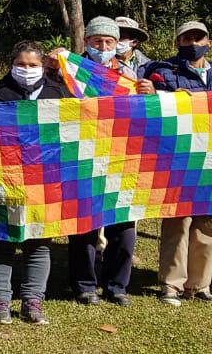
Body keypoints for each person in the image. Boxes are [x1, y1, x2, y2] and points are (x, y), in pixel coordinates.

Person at [0, 41, 71, 326]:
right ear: (11, 64)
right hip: (2, 178)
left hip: (45, 180)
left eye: (33, 65)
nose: (27, 70)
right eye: (21, 64)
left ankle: (33, 301)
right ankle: (1, 302)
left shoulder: (60, 93)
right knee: (1, 241)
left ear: (43, 66)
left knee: (39, 243)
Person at [66, 17, 152, 309]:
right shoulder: (71, 73)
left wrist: (148, 97)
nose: (103, 47)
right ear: (86, 43)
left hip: (122, 158)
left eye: (109, 42)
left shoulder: (130, 76)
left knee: (124, 227)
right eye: (97, 42)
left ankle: (117, 285)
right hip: (83, 157)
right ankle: (85, 285)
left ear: (118, 45)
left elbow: (148, 116)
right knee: (84, 225)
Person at [145, 21, 212, 308]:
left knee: (209, 222)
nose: (193, 42)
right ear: (177, 42)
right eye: (186, 38)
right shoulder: (162, 71)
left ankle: (200, 285)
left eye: (199, 37)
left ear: (208, 41)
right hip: (178, 155)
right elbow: (155, 109)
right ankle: (171, 284)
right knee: (177, 221)